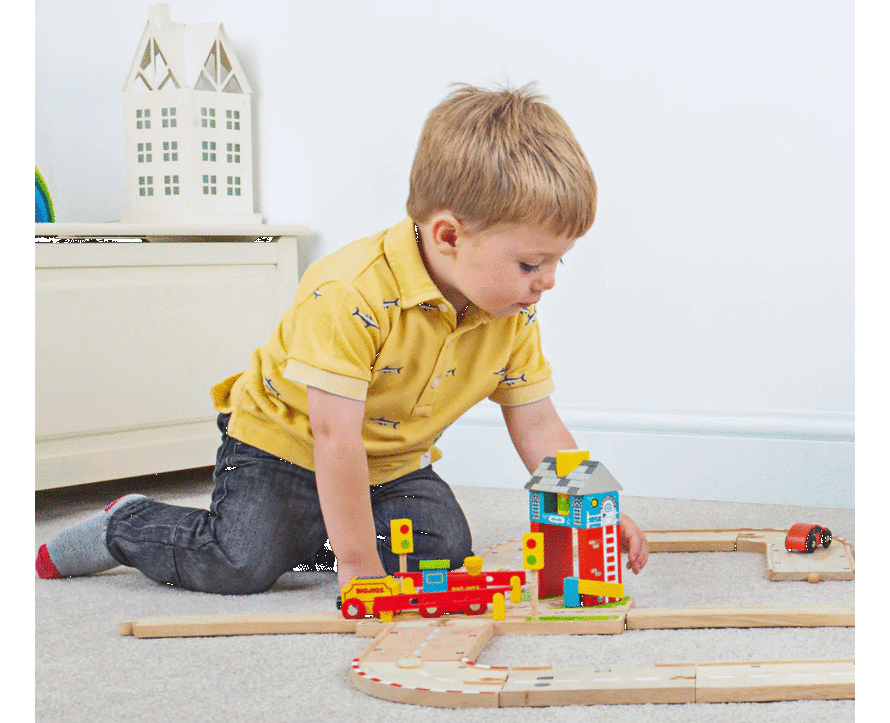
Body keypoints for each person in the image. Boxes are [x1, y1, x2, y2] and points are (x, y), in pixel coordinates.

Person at [36, 82, 649, 595]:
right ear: (448, 236)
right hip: (283, 447)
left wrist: (596, 511)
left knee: (443, 551)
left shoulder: (511, 313)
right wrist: (357, 564)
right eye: (529, 264)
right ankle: (129, 522)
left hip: (390, 462)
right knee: (242, 562)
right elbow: (334, 438)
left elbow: (539, 425)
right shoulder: (349, 293)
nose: (545, 283)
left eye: (556, 265)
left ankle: (318, 526)